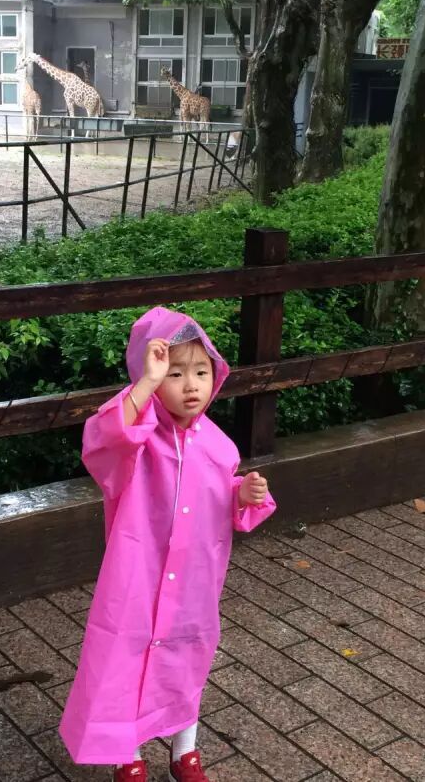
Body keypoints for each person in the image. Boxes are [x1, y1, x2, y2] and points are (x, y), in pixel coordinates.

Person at [59, 306, 276, 781]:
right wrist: (146, 382)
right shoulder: (137, 441)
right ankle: (127, 752)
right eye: (175, 374)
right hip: (137, 578)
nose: (191, 385)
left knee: (187, 658)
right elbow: (103, 440)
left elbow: (220, 499)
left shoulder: (218, 446)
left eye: (201, 372)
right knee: (125, 662)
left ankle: (185, 750)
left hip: (195, 583)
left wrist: (241, 494)